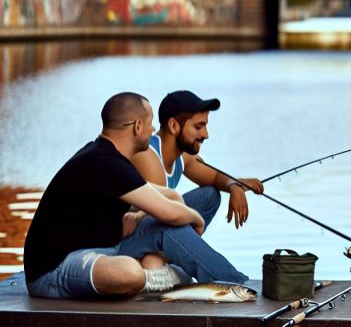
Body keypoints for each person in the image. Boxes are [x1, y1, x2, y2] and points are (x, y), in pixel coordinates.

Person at [24, 92, 249, 299]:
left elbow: (168, 196)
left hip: (106, 246)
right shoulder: (104, 162)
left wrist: (179, 209)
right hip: (54, 271)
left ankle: (231, 283)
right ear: (138, 126)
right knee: (131, 272)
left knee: (170, 225)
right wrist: (197, 219)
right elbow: (168, 212)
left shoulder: (109, 156)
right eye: (150, 123)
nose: (153, 130)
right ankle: (160, 279)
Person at [131, 90, 264, 230]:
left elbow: (214, 177)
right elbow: (161, 217)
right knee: (170, 224)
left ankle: (183, 247)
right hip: (127, 240)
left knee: (210, 195)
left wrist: (235, 186)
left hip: (156, 226)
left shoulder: (182, 156)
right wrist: (196, 221)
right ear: (173, 126)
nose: (205, 135)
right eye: (198, 127)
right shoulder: (148, 156)